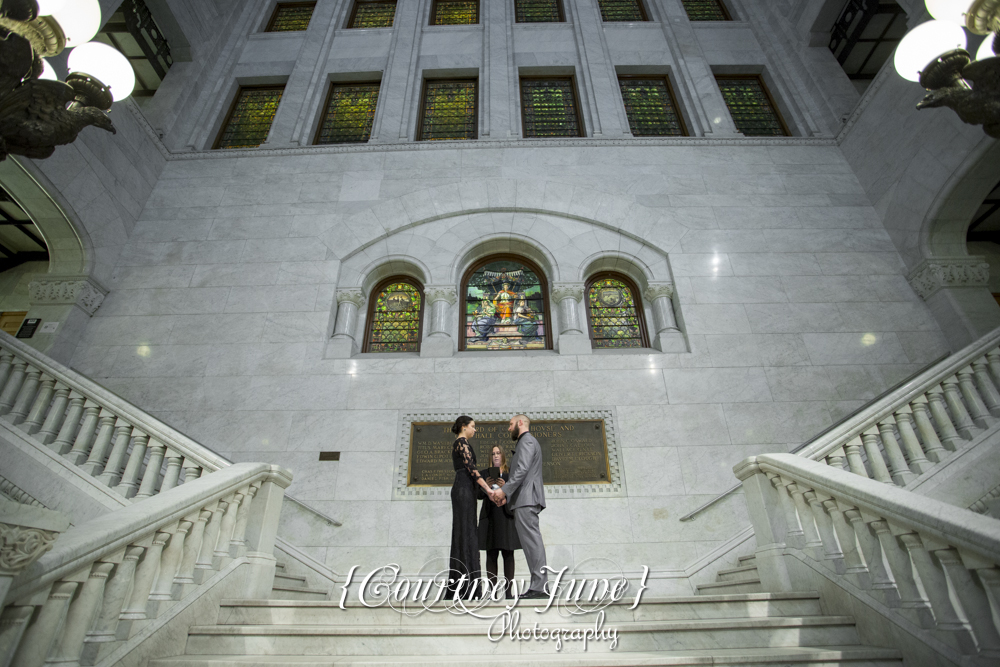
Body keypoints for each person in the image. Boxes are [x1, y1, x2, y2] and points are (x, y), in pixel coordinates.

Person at [492, 414, 548, 599]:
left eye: (510, 424)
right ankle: (538, 585)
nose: (509, 428)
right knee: (530, 543)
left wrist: (504, 491)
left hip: (527, 500)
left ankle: (539, 587)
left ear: (520, 423)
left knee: (532, 542)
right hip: (523, 499)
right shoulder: (525, 442)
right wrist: (509, 497)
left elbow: (522, 470)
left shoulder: (527, 441)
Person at [449, 416, 496, 598]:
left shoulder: (462, 443)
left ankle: (465, 584)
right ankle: (467, 586)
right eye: (473, 426)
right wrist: (488, 490)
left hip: (464, 488)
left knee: (466, 533)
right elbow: (472, 470)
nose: (475, 430)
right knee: (466, 533)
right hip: (464, 489)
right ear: (463, 427)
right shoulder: (462, 443)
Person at [478, 445, 521, 599]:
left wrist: (506, 488)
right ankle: (493, 592)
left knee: (508, 554)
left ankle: (509, 593)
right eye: (493, 453)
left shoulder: (510, 474)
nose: (495, 456)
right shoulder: (484, 475)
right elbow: (478, 494)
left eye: (498, 453)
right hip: (490, 518)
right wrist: (486, 487)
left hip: (506, 516)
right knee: (491, 554)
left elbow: (517, 494)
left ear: (503, 456)